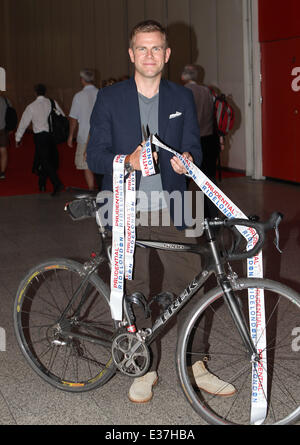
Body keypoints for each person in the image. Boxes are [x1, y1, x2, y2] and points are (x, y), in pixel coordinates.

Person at [87, 20, 235, 403]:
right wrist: (128, 161)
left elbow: (194, 148)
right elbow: (95, 155)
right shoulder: (109, 98)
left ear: (167, 55)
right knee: (133, 291)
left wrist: (188, 161)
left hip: (175, 205)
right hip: (123, 206)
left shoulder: (181, 98)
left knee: (191, 286)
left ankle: (197, 364)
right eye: (142, 48)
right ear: (131, 54)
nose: (149, 55)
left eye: (157, 49)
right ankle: (143, 365)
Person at [181, 64, 224, 218]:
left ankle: (181, 217)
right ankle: (212, 217)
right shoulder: (208, 91)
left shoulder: (182, 92)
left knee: (183, 181)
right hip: (209, 141)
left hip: (189, 143)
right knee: (209, 181)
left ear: (183, 77)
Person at [15, 84, 64, 196]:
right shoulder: (52, 102)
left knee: (45, 161)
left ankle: (56, 183)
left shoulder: (31, 106)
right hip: (51, 136)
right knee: (44, 160)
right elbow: (62, 115)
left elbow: (23, 123)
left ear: (35, 92)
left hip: (39, 137)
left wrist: (18, 138)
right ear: (45, 92)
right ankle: (41, 184)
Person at [68, 69, 99, 190]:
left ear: (82, 80)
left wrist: (71, 136)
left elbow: (73, 118)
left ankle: (91, 188)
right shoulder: (100, 92)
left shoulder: (79, 96)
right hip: (101, 134)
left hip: (84, 134)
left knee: (86, 164)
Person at [0, 93, 10, 179]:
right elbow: (11, 113)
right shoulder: (6, 101)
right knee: (3, 151)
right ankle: (2, 173)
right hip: (3, 130)